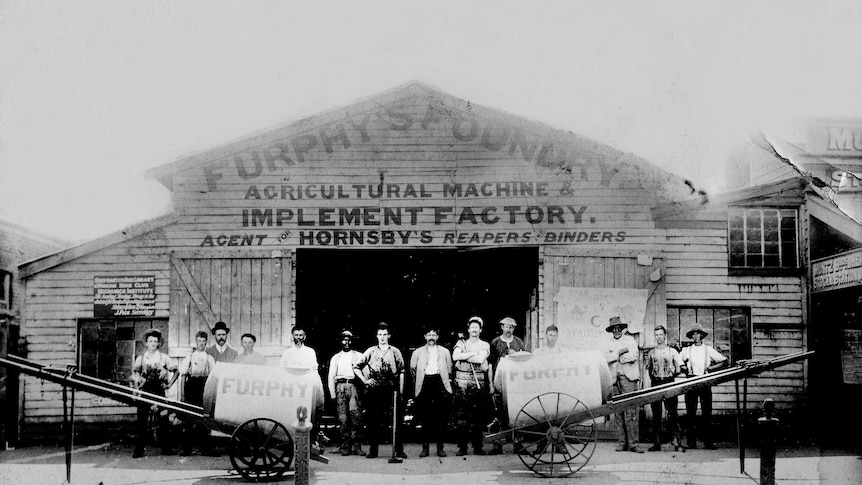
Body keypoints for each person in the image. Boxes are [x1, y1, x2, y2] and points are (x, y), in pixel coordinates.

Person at [354, 322, 407, 459]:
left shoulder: (395, 351)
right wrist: (365, 380)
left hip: (391, 388)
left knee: (396, 420)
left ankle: (398, 450)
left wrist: (400, 391)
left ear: (389, 335)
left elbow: (401, 371)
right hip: (375, 389)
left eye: (385, 334)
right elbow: (356, 367)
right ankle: (373, 450)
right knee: (373, 420)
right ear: (377, 336)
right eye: (380, 335)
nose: (382, 337)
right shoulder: (371, 351)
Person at [679, 323, 728, 450]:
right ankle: (691, 442)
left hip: (705, 381)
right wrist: (685, 369)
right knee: (691, 412)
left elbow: (724, 361)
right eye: (693, 334)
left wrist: (711, 368)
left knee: (707, 412)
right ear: (691, 336)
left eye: (698, 333)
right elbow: (678, 363)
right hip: (691, 381)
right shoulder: (687, 350)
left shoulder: (708, 349)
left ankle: (708, 442)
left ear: (702, 335)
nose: (696, 336)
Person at [131, 329, 178, 458]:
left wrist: (168, 385)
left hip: (159, 391)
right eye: (150, 341)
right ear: (146, 343)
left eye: (155, 341)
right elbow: (135, 374)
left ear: (159, 343)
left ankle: (166, 448)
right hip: (145, 391)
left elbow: (176, 371)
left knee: (163, 419)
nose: (153, 343)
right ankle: (138, 450)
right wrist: (137, 386)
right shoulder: (141, 358)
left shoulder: (164, 358)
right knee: (142, 421)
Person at [410, 325, 453, 458]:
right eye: (429, 335)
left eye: (434, 335)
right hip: (424, 385)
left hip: (440, 384)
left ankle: (440, 448)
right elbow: (413, 369)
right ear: (425, 337)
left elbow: (449, 369)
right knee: (424, 418)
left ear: (438, 337)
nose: (431, 338)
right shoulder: (417, 352)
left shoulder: (445, 352)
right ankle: (425, 448)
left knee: (440, 418)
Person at [451, 316, 491, 456]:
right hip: (461, 382)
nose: (474, 329)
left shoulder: (485, 344)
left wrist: (465, 355)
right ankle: (462, 448)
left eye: (477, 327)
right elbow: (455, 356)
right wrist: (473, 354)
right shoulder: (461, 342)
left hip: (478, 383)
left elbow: (481, 359)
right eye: (472, 327)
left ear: (480, 330)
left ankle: (478, 447)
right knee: (462, 417)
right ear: (468, 329)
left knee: (477, 417)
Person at [488, 316, 527, 454]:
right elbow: (490, 365)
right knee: (500, 413)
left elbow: (525, 361)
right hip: (500, 382)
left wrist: (515, 354)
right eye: (506, 327)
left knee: (517, 413)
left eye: (511, 327)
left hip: (516, 383)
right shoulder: (495, 343)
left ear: (514, 328)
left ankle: (518, 444)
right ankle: (498, 444)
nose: (508, 329)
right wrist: (491, 385)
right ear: (502, 327)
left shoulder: (518, 342)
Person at [605, 316, 644, 453]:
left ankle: (633, 443)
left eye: (618, 328)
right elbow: (606, 359)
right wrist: (619, 353)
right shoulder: (607, 343)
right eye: (614, 329)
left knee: (631, 411)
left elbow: (634, 356)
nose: (616, 331)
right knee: (618, 411)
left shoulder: (630, 340)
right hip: (614, 380)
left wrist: (618, 356)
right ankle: (622, 442)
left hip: (629, 378)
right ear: (611, 330)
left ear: (622, 328)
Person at [645, 325, 683, 452]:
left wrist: (672, 373)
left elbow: (679, 368)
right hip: (656, 384)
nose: (659, 337)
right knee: (656, 414)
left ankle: (676, 442)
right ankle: (656, 443)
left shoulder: (672, 351)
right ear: (654, 336)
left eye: (661, 334)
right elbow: (648, 369)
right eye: (656, 335)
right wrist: (654, 380)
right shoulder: (651, 353)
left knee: (672, 413)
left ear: (665, 335)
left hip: (669, 383)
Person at [178, 331, 216, 456]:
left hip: (203, 386)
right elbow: (183, 376)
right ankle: (186, 449)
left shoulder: (209, 358)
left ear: (206, 342)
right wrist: (183, 395)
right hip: (191, 386)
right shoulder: (190, 357)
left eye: (203, 341)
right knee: (188, 419)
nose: (201, 343)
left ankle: (204, 448)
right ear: (196, 342)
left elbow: (212, 377)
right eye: (199, 341)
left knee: (203, 419)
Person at [327, 330, 365, 456]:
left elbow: (365, 372)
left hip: (354, 386)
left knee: (356, 417)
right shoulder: (336, 358)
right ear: (340, 341)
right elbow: (331, 376)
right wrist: (333, 393)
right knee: (343, 418)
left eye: (349, 339)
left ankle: (357, 446)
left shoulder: (359, 356)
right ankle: (345, 446)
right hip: (340, 387)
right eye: (344, 339)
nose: (346, 342)